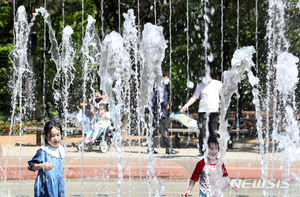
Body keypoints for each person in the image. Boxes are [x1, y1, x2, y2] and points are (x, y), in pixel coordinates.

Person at [181, 69, 222, 158]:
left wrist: (222, 104)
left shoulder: (218, 84)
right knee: (202, 132)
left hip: (214, 111)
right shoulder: (200, 86)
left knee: (213, 132)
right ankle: (202, 152)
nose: (203, 80)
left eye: (204, 77)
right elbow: (194, 97)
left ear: (209, 76)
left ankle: (214, 153)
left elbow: (224, 94)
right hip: (203, 111)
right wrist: (185, 106)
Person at [28, 120, 66, 197]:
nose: (56, 138)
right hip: (46, 186)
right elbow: (31, 166)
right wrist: (42, 166)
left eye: (58, 135)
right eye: (52, 136)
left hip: (58, 184)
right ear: (46, 136)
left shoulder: (60, 149)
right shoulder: (43, 151)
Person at [151, 71, 178, 155]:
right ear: (163, 77)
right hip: (160, 111)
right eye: (166, 78)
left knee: (154, 129)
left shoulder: (156, 85)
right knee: (164, 130)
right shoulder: (160, 86)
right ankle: (168, 148)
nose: (167, 79)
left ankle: (150, 147)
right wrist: (166, 105)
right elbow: (160, 98)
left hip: (156, 111)